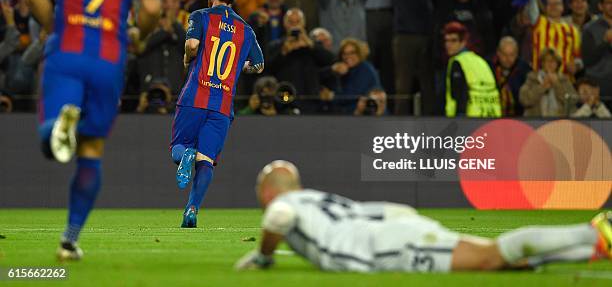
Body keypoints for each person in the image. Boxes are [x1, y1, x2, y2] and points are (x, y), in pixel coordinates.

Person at [24, 0, 162, 260]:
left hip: (66, 51)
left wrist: (53, 27)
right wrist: (137, 36)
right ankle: (69, 240)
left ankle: (56, 127)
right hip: (107, 58)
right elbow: (151, 9)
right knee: (92, 150)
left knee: (53, 137)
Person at [235, 160, 612, 272]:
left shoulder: (287, 204)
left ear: (267, 193)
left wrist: (264, 257)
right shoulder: (316, 197)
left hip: (381, 247)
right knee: (502, 263)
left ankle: (593, 232)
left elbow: (279, 219)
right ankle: (591, 247)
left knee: (491, 256)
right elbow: (395, 210)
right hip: (394, 229)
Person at [171, 0, 264, 229]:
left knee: (179, 148)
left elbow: (191, 46)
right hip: (222, 105)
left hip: (194, 96)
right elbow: (258, 65)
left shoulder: (200, 16)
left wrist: (188, 58)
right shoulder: (246, 30)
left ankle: (186, 155)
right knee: (207, 160)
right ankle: (192, 209)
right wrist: (237, 67)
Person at [443, 22, 501, 118]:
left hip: (468, 121)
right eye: (446, 41)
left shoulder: (457, 62)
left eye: (453, 40)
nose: (448, 45)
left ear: (463, 42)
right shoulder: (481, 61)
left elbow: (460, 95)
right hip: (490, 118)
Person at [519, 48, 577, 117]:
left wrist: (557, 84)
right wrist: (542, 87)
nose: (550, 63)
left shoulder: (564, 80)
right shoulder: (532, 78)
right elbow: (524, 99)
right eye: (547, 61)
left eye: (553, 61)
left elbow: (572, 101)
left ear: (558, 64)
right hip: (535, 122)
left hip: (559, 123)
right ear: (542, 63)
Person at [489, 36, 530, 117]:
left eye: (512, 55)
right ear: (498, 53)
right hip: (493, 117)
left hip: (519, 118)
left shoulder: (525, 70)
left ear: (517, 54)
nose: (508, 59)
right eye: (504, 55)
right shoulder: (488, 68)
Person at [582, 0, 612, 100]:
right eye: (609, 3)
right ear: (600, 6)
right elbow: (588, 60)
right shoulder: (589, 29)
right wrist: (605, 41)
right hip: (598, 86)